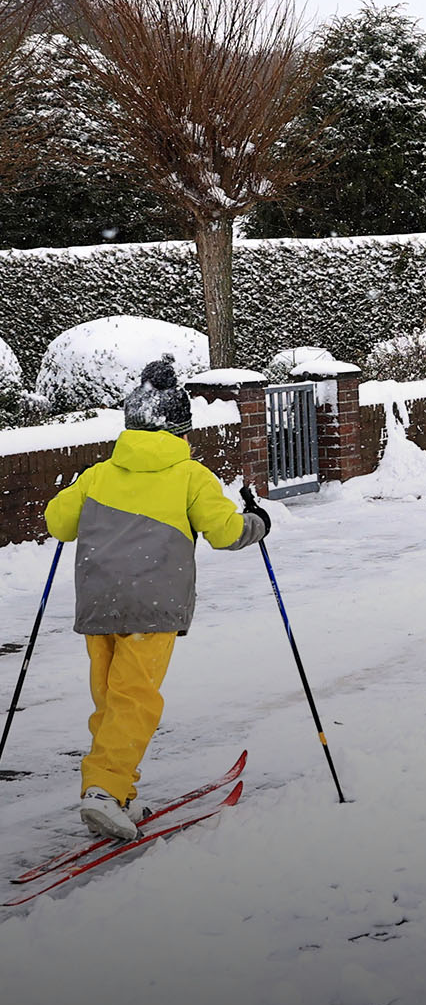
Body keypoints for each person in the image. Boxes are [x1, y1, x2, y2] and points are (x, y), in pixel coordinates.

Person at [44, 357, 270, 840]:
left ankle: (115, 790)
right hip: (154, 604)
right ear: (180, 429)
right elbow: (227, 533)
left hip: (99, 601)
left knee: (109, 699)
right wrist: (258, 522)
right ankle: (105, 790)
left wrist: (81, 486)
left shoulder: (98, 475)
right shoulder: (190, 475)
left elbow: (57, 524)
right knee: (136, 699)